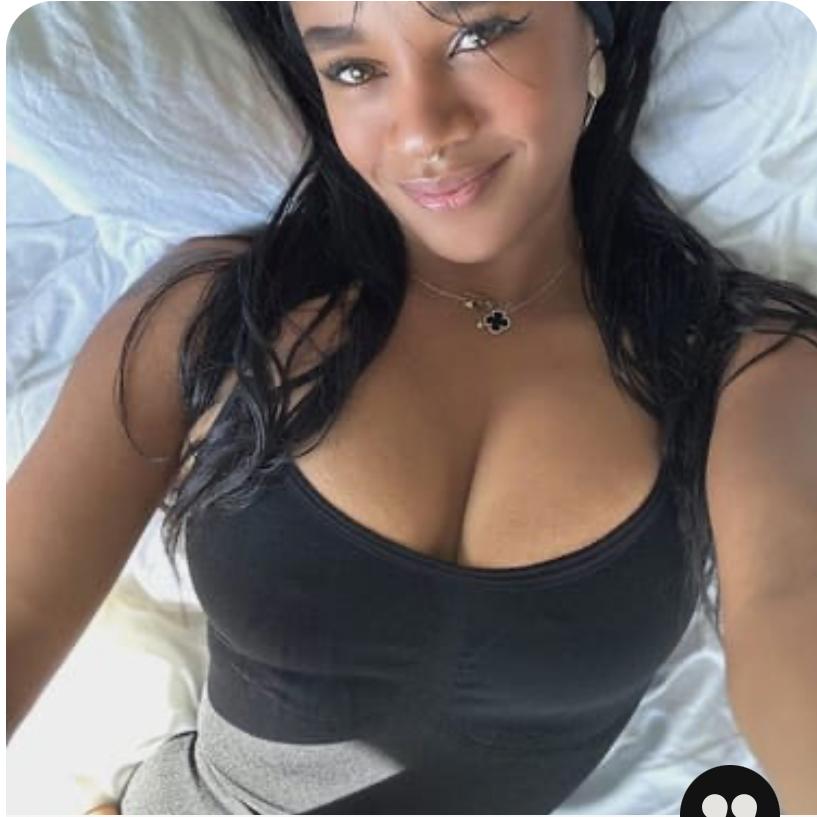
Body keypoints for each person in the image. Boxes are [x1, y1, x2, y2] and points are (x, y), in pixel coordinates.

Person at [7, 2, 817, 814]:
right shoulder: (211, 315)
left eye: (480, 35)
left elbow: (788, 603)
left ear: (592, 37)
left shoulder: (745, 363)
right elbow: (20, 605)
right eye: (355, 69)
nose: (423, 130)